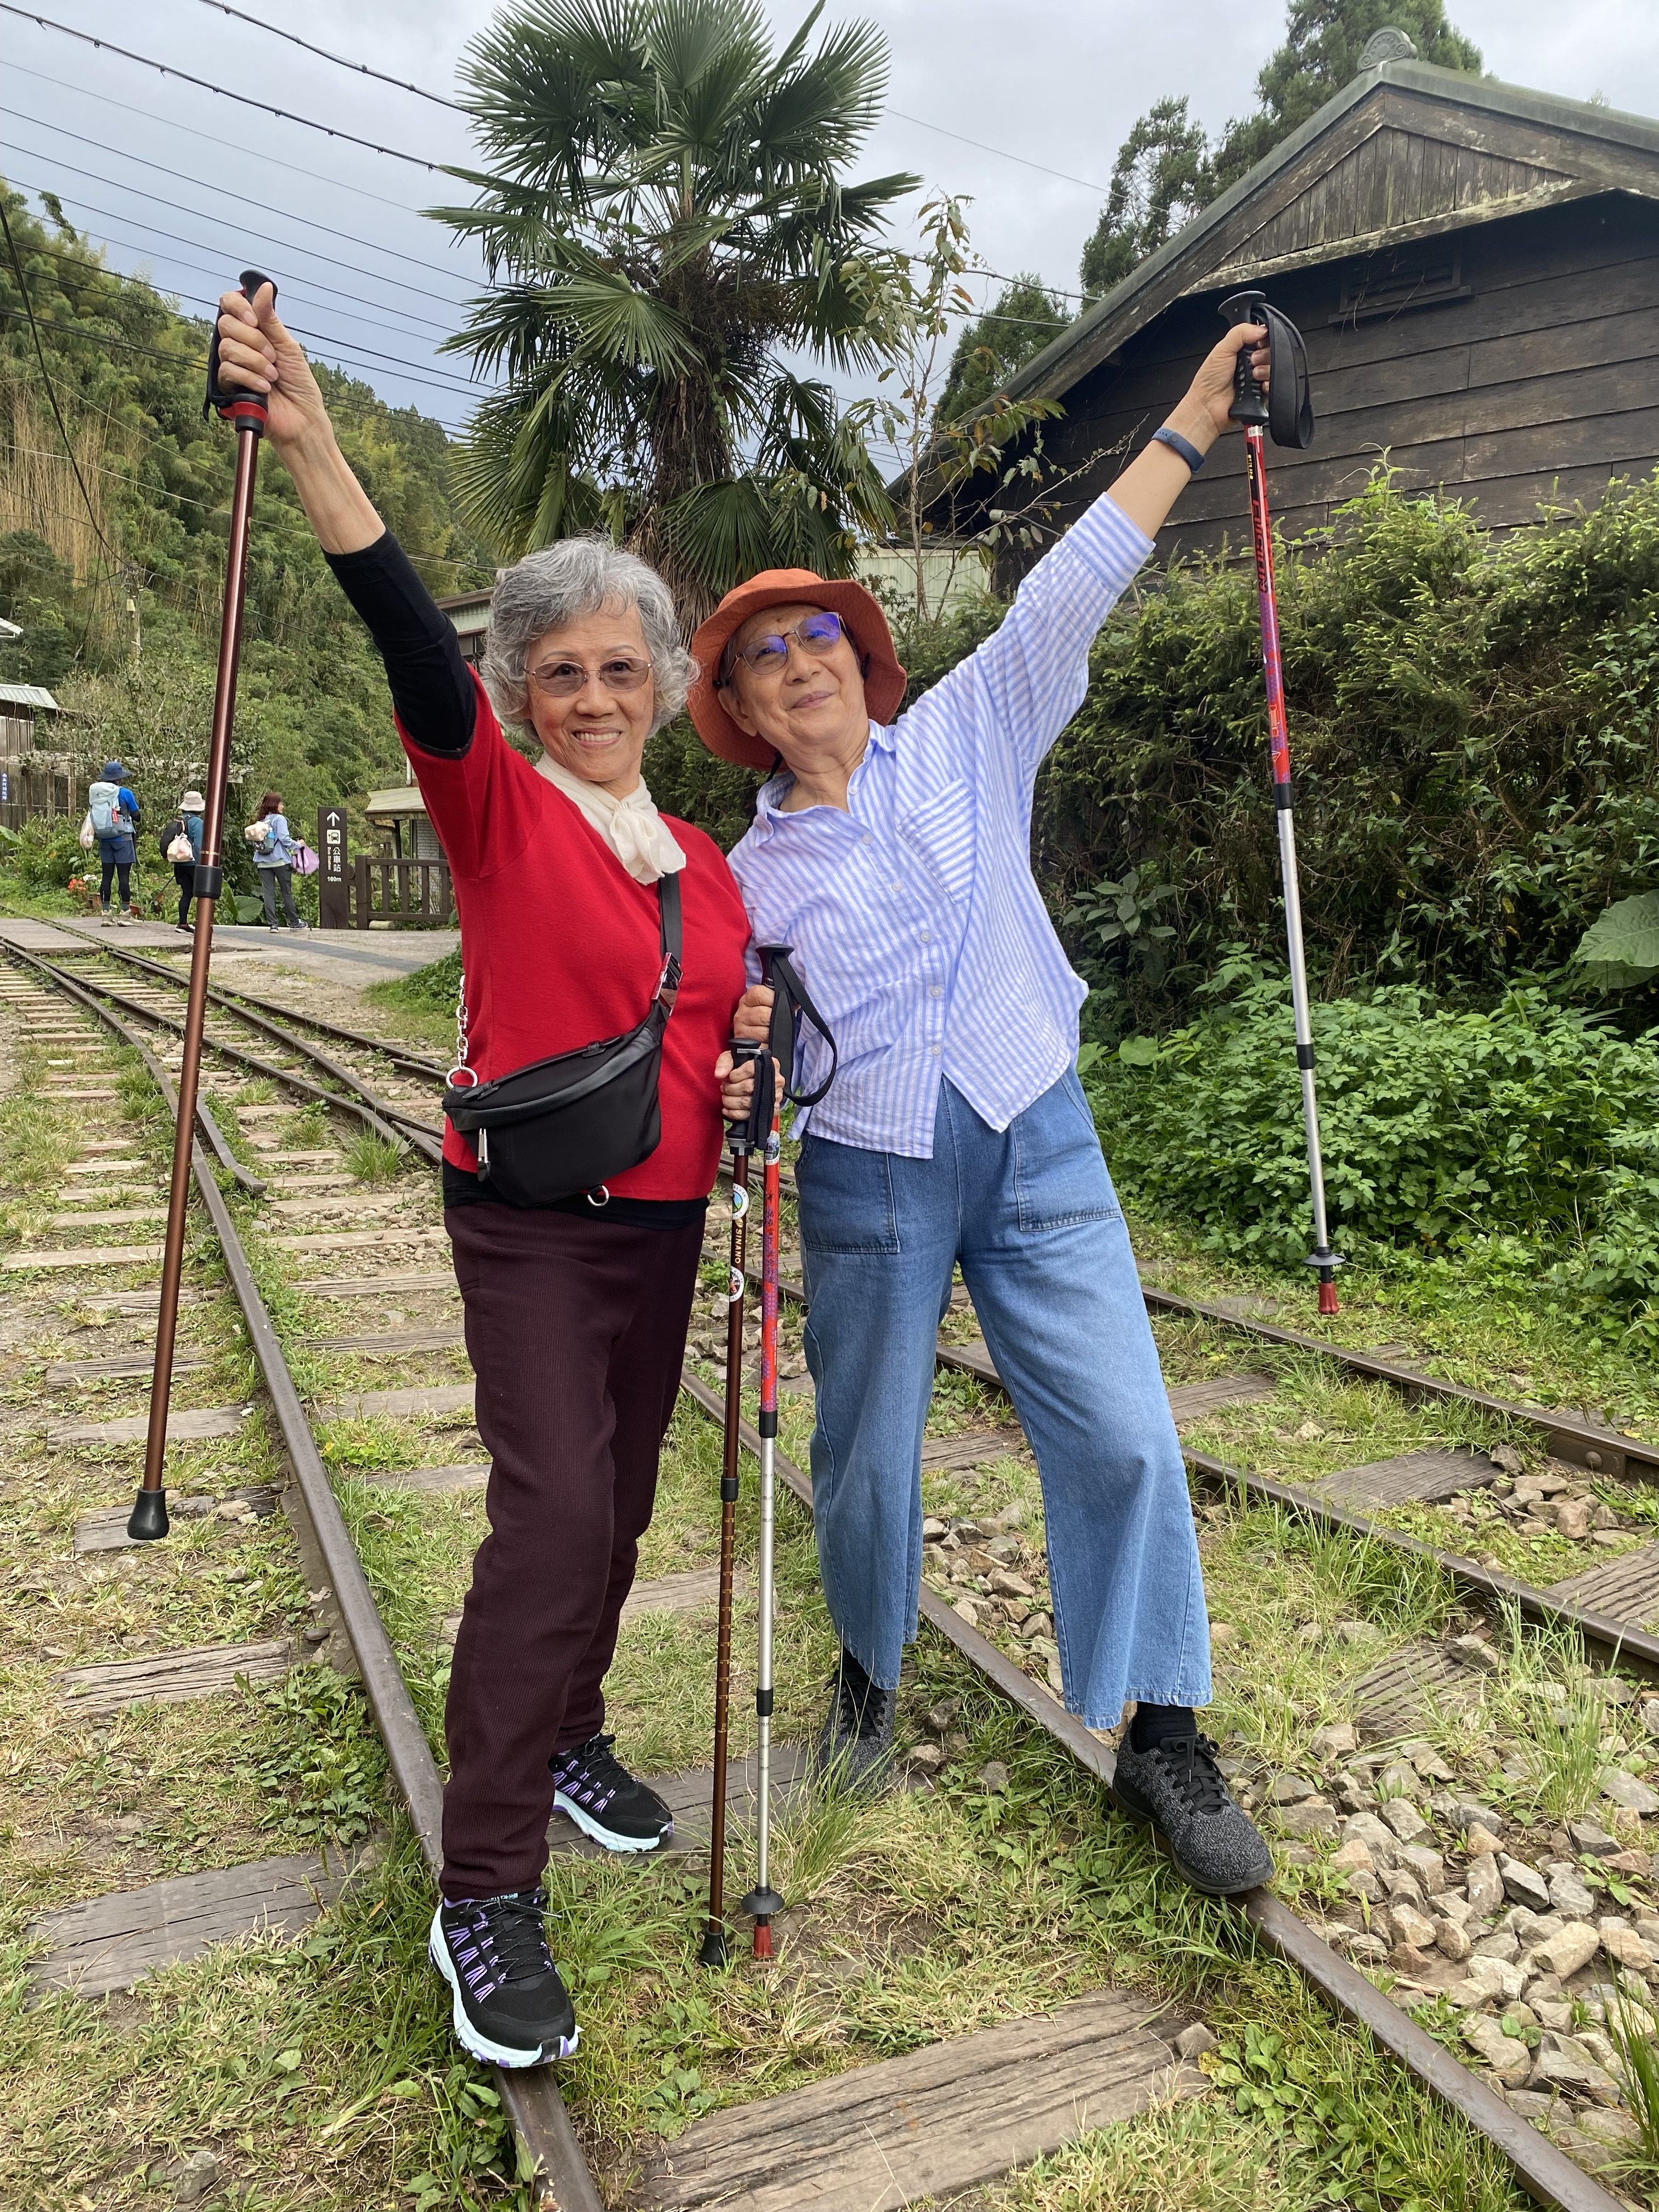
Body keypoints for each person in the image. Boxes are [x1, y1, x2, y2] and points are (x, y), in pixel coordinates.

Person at [210, 283, 753, 2068]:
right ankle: (485, 1887)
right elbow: (403, 642)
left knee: (629, 1506)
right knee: (556, 1518)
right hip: (529, 1224)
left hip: (668, 1225)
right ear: (527, 693)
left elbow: (713, 1039)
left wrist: (749, 1081)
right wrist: (306, 436)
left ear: (666, 688)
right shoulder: (495, 804)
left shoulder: (709, 866)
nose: (594, 695)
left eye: (622, 668)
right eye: (563, 672)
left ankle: (573, 1727)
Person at [700, 323, 1277, 1899]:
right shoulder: (744, 880)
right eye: (768, 649)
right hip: (875, 1172)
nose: (805, 655)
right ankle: (868, 1692)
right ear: (742, 710)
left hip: (1037, 1128)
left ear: (859, 657)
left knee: (1127, 1431)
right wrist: (749, 1061)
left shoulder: (969, 730)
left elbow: (1071, 584)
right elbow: (747, 1066)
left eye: (821, 629)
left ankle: (1162, 1728)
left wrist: (1194, 419)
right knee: (868, 1455)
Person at [245, 792, 308, 932]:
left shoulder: (262, 821)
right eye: (280, 803)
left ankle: (273, 925)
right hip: (280, 861)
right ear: (275, 804)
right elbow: (285, 840)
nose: (283, 806)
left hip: (262, 861)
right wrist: (299, 845)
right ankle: (294, 922)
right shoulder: (280, 819)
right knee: (286, 892)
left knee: (268, 893)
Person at [88, 760, 139, 924]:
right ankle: (125, 913)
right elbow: (137, 815)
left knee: (107, 877)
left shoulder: (99, 794)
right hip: (123, 839)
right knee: (123, 876)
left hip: (105, 839)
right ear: (120, 778)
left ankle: (106, 913)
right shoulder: (125, 793)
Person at [162, 791, 205, 931]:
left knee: (187, 892)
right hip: (193, 863)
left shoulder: (180, 821)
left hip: (179, 862)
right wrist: (204, 862)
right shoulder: (197, 822)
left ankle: (182, 923)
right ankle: (201, 922)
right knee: (202, 893)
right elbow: (199, 844)